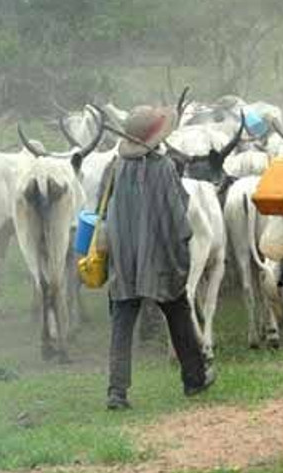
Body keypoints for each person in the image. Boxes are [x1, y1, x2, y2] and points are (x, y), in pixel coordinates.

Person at [102, 105, 215, 411]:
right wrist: (182, 243)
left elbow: (102, 212)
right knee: (178, 313)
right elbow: (179, 212)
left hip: (124, 260)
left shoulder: (113, 167)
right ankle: (194, 379)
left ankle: (117, 391)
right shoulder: (162, 167)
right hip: (159, 258)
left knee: (122, 322)